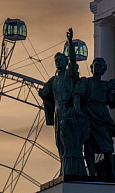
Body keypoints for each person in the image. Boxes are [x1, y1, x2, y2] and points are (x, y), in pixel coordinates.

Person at [39, 28, 88, 176]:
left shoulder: (69, 74)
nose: (58, 62)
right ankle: (63, 167)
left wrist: (70, 42)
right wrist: (43, 94)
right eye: (56, 60)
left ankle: (70, 168)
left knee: (68, 141)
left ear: (66, 61)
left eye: (60, 60)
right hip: (58, 112)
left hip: (68, 110)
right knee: (59, 143)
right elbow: (45, 92)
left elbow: (73, 61)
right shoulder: (53, 80)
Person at [74, 57, 115, 177]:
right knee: (89, 146)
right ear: (92, 68)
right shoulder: (86, 82)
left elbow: (113, 102)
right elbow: (77, 95)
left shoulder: (106, 85)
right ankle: (92, 173)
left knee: (107, 146)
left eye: (100, 65)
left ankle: (111, 172)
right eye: (96, 65)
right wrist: (78, 110)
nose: (98, 67)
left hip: (102, 115)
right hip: (89, 114)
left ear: (104, 69)